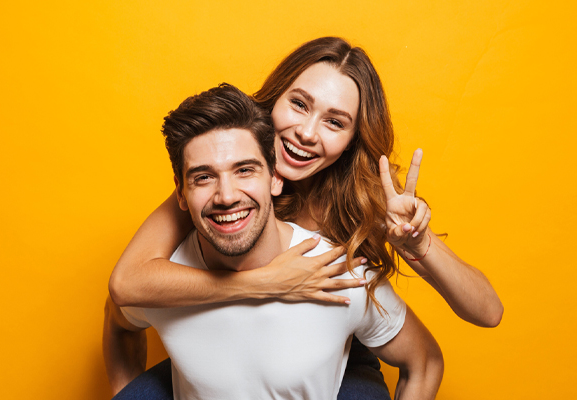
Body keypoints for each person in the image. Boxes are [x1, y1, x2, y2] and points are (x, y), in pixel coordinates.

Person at [108, 37, 503, 399]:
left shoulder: (366, 202)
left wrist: (419, 243)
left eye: (334, 122)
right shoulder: (222, 179)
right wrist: (263, 283)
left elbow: (486, 313)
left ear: (351, 140)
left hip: (333, 347)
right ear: (274, 100)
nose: (306, 133)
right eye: (299, 104)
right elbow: (126, 284)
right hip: (228, 343)